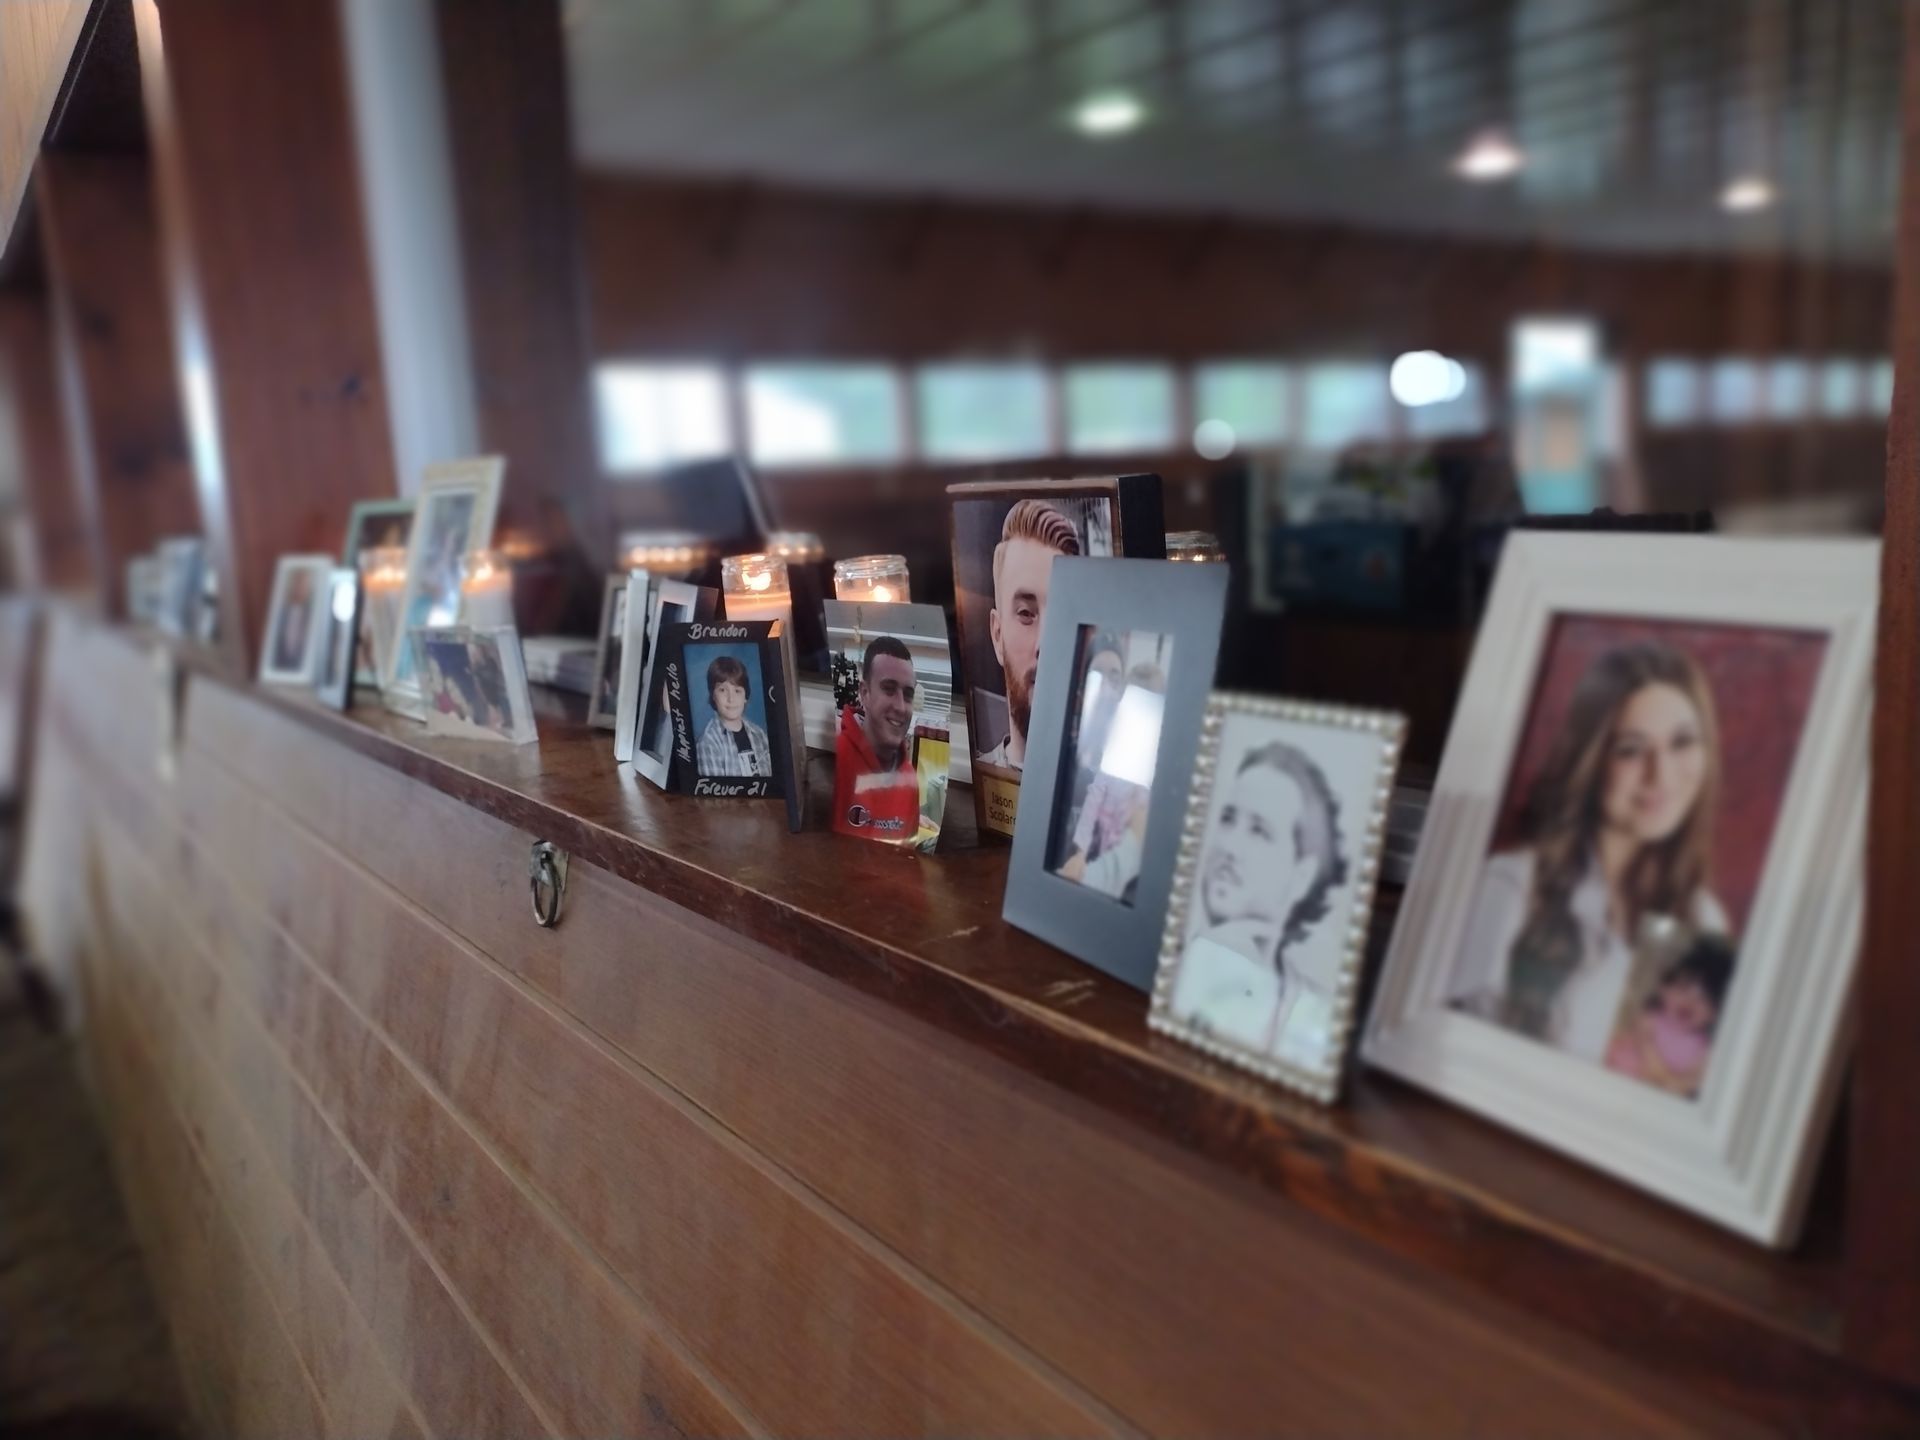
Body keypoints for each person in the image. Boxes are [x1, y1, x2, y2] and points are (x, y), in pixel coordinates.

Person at [1450, 641, 1730, 1062]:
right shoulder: (1510, 886)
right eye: (1631, 749)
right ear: (1591, 760)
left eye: (1682, 742)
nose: (1661, 775)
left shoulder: (1704, 917)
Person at [1166, 740, 1348, 1065]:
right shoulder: (1165, 970)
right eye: (1227, 819)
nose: (1229, 846)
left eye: (1259, 831)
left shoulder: (1316, 1014)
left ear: (1301, 876)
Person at [976, 500, 1080, 771]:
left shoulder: (1105, 792)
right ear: (997, 635)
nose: (1045, 643)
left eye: (1061, 614)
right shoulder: (984, 775)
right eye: (1025, 613)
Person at [1604, 935, 1733, 1098]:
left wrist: (1670, 1082)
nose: (1690, 1001)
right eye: (1682, 988)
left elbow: (1685, 1087)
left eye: (1704, 999)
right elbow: (1641, 1061)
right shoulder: (1648, 1020)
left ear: (1715, 1014)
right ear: (1663, 989)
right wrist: (1667, 1080)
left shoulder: (1705, 1051)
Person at [832, 635, 920, 840]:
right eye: (889, 689)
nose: (900, 707)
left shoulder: (910, 779)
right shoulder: (837, 759)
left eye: (908, 694)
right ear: (865, 693)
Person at [695, 653, 771, 778]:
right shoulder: (708, 743)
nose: (731, 699)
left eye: (737, 691)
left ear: (745, 696)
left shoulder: (759, 734)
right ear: (713, 695)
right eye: (722, 690)